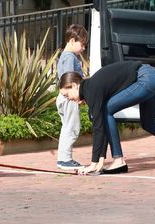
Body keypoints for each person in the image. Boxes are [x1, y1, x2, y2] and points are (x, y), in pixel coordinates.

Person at [59, 61, 155, 175]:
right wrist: (99, 161)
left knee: (106, 110)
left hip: (145, 78)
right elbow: (100, 124)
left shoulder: (91, 88)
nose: (68, 99)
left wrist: (95, 163)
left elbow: (98, 127)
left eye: (67, 95)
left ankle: (118, 160)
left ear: (74, 85)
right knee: (148, 123)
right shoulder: (91, 86)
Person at [56, 24, 88, 170]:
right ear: (72, 40)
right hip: (69, 97)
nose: (83, 48)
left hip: (64, 97)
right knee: (72, 128)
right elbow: (69, 80)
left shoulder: (65, 55)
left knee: (67, 127)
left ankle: (64, 158)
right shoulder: (69, 57)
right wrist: (77, 95)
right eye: (82, 44)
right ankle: (65, 160)